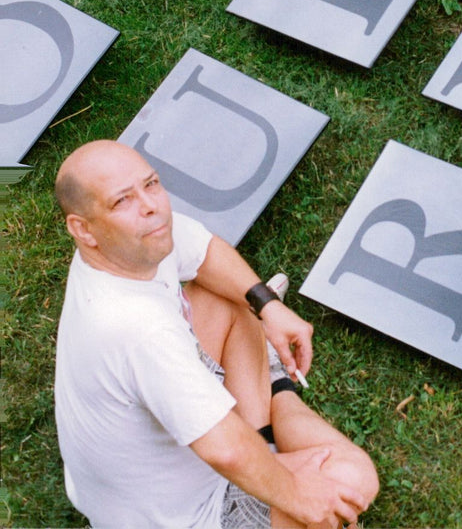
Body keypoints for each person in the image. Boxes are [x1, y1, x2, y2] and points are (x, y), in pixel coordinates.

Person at [53, 139, 379, 528]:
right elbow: (223, 450)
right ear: (82, 228)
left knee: (231, 298)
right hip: (188, 514)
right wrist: (299, 492)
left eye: (152, 183)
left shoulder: (124, 246)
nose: (151, 205)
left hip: (148, 476)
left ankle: (262, 434)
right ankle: (277, 393)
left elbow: (204, 251)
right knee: (354, 479)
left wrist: (268, 306)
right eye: (122, 200)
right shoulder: (136, 328)